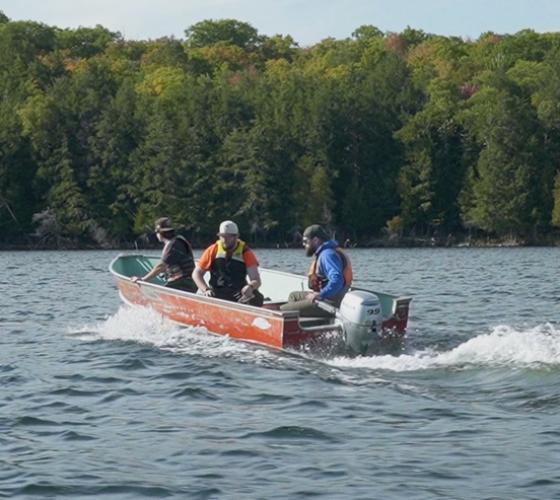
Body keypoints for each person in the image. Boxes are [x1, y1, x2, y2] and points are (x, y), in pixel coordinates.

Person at [280, 224, 353, 317]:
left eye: (306, 242)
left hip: (329, 303)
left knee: (281, 311)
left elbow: (337, 280)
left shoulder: (327, 255)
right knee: (294, 296)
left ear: (315, 240)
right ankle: (299, 317)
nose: (304, 245)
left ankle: (296, 321)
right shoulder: (328, 251)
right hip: (328, 297)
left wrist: (321, 295)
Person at [192, 220, 264, 306]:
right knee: (210, 297)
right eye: (222, 236)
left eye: (229, 237)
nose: (225, 240)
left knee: (257, 297)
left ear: (236, 236)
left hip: (238, 293)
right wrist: (206, 290)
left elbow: (256, 280)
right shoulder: (213, 250)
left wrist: (250, 287)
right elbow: (196, 274)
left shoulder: (246, 252)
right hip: (217, 292)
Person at [132, 217, 197, 292]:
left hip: (183, 283)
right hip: (190, 282)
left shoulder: (172, 245)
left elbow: (161, 266)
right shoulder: (179, 240)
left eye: (157, 232)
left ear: (160, 233)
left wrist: (143, 279)